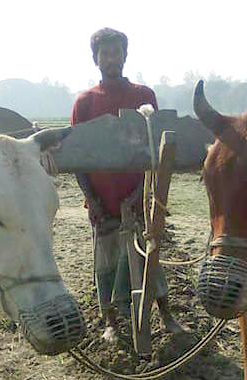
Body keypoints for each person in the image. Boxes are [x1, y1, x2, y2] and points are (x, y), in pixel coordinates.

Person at [71, 27, 185, 343]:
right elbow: (77, 156)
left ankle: (165, 315)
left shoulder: (143, 97)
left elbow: (156, 150)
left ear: (125, 56)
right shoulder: (85, 103)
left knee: (148, 256)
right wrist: (92, 200)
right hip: (102, 202)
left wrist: (142, 194)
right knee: (105, 261)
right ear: (96, 60)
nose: (111, 59)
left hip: (139, 198)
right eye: (104, 54)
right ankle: (111, 323)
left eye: (116, 52)